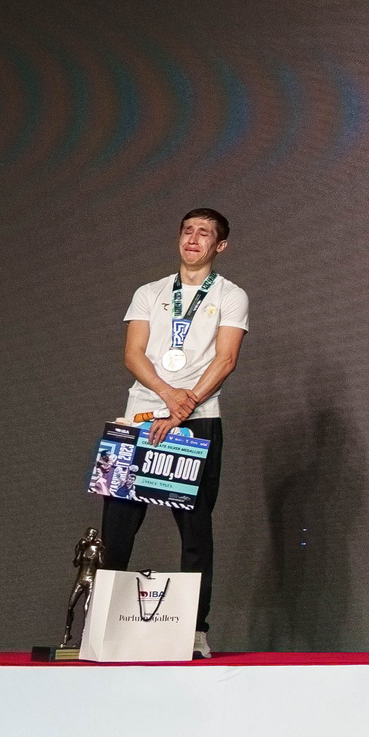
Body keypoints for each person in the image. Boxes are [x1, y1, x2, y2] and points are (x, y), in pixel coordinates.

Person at [102, 208, 248, 658]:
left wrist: (184, 406)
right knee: (117, 527)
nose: (193, 238)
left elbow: (225, 360)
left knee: (195, 529)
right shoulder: (149, 292)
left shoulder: (231, 295)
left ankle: (195, 631)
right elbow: (133, 353)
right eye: (188, 230)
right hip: (142, 416)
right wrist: (169, 396)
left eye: (205, 233)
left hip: (200, 418)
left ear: (219, 246)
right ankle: (102, 626)